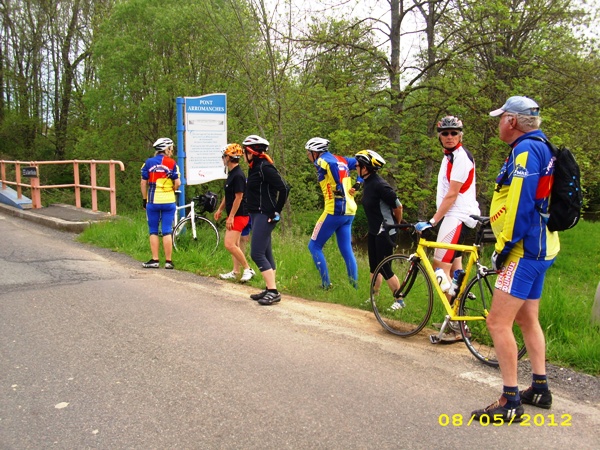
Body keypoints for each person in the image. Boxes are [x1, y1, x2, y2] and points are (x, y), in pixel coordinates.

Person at [471, 96, 559, 423]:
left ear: (511, 121)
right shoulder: (543, 145)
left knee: (497, 321)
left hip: (524, 249)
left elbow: (521, 202)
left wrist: (503, 247)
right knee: (527, 318)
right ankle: (539, 387)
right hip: (543, 246)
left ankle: (510, 401)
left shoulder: (524, 151)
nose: (498, 124)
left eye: (500, 118)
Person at [415, 116, 480, 341]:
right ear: (439, 136)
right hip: (456, 217)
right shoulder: (449, 157)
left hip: (457, 217)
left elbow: (452, 194)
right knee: (454, 273)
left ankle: (456, 323)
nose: (450, 137)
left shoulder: (461, 158)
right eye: (445, 133)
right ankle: (455, 319)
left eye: (454, 133)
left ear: (461, 135)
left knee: (437, 268)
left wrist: (433, 221)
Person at [305, 137, 361, 289]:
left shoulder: (322, 160)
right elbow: (362, 162)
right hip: (349, 211)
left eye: (308, 153)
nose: (308, 156)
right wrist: (359, 183)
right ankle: (354, 287)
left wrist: (337, 185)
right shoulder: (342, 159)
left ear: (315, 152)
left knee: (314, 246)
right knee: (346, 250)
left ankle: (325, 285)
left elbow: (328, 164)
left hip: (334, 210)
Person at [243, 134, 289, 306]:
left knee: (256, 253)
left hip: (265, 215)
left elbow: (284, 188)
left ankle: (273, 292)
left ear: (251, 152)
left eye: (244, 150)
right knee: (266, 252)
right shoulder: (254, 167)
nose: (242, 154)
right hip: (256, 214)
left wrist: (277, 210)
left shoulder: (265, 167)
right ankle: (270, 287)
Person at [354, 150, 403, 301]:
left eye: (358, 165)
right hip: (374, 230)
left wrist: (396, 225)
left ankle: (399, 300)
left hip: (386, 231)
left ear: (366, 167)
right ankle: (374, 298)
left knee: (385, 267)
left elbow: (398, 206)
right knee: (374, 267)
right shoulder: (368, 182)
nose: (355, 167)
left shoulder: (381, 185)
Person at [214, 143, 255, 283]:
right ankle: (236, 271)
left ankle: (248, 269)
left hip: (239, 215)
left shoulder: (238, 175)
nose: (222, 159)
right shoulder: (231, 173)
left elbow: (239, 197)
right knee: (235, 245)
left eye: (223, 156)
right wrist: (220, 209)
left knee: (229, 244)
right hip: (234, 214)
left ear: (229, 158)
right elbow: (229, 195)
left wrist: (231, 216)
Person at [140, 137, 181, 269]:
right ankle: (168, 262)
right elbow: (178, 183)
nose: (172, 151)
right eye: (171, 149)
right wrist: (172, 190)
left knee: (153, 231)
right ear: (166, 149)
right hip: (169, 201)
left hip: (153, 201)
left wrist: (144, 199)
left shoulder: (148, 163)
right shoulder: (173, 163)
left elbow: (143, 182)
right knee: (167, 231)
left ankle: (155, 260)